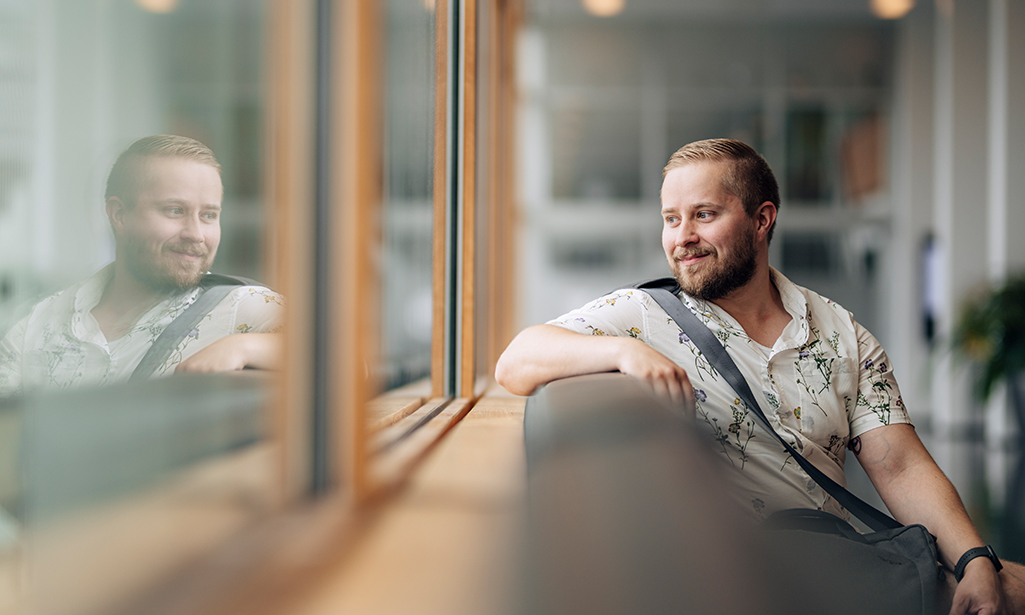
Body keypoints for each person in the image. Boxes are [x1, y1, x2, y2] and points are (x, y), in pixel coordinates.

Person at [496, 138, 1025, 614]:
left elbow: (902, 466)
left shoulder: (841, 333)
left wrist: (977, 559)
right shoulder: (642, 316)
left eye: (703, 215)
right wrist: (623, 352)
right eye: (671, 218)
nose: (683, 237)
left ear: (762, 218)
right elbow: (516, 361)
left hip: (836, 566)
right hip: (731, 579)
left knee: (1004, 587)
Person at [0, 134, 283, 396]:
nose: (196, 234)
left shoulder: (239, 307)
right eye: (175, 211)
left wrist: (244, 346)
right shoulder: (37, 325)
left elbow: (324, 344)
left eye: (209, 215)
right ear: (119, 214)